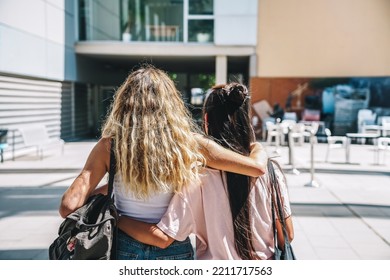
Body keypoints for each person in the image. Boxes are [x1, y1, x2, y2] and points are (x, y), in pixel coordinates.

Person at [59, 66, 268, 260]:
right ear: (170, 103)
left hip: (122, 246)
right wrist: (257, 147)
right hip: (173, 248)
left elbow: (69, 206)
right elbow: (256, 168)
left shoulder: (109, 147)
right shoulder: (189, 143)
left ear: (124, 103)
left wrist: (113, 193)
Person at [118, 82, 294, 260]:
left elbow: (163, 238)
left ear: (207, 121)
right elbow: (287, 234)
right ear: (246, 120)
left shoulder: (198, 177)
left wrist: (115, 217)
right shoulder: (271, 171)